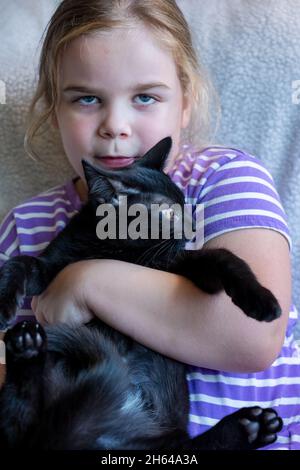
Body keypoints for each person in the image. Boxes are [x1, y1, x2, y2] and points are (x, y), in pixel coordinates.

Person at [0, 0, 299, 450]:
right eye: (86, 98)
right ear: (53, 110)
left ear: (185, 102)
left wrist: (88, 282)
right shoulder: (27, 224)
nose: (115, 126)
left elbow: (252, 336)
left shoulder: (221, 181)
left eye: (145, 97)